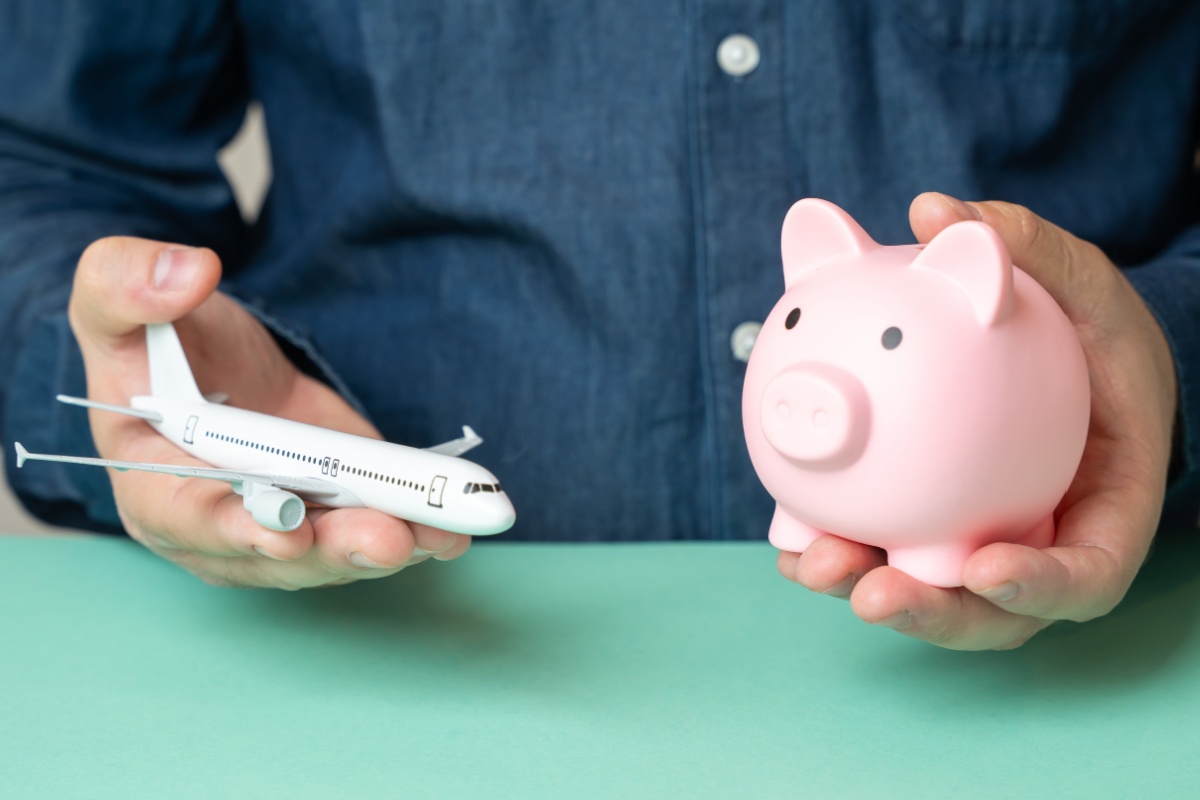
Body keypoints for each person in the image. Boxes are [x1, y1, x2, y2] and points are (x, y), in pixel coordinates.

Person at [1, 2, 1197, 650]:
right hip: (359, 658)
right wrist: (120, 371)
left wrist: (1171, 358)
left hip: (1111, 649)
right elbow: (45, 162)